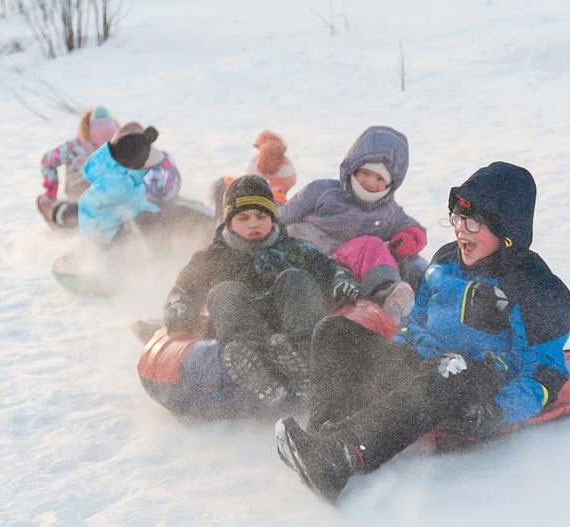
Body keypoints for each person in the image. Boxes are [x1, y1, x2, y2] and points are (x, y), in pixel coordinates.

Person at [275, 162, 570, 503]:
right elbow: (417, 323)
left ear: (507, 233)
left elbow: (546, 374)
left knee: (450, 368)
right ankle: (326, 435)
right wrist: (389, 362)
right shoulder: (446, 260)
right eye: (458, 219)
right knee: (334, 332)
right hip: (423, 366)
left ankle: (342, 456)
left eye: (473, 222)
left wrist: (498, 410)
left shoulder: (537, 290)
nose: (461, 230)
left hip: (474, 384)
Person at [163, 175, 360, 405]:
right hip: (245, 329)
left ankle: (304, 362)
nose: (254, 224)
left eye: (261, 216)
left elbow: (332, 268)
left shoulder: (295, 249)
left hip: (292, 327)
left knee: (295, 278)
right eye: (244, 218)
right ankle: (253, 367)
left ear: (273, 217)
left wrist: (341, 280)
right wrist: (179, 305)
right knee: (224, 292)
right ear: (228, 222)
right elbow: (184, 288)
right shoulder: (213, 257)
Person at [276, 125, 426, 323]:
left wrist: (407, 239)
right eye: (366, 173)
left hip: (354, 278)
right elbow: (282, 217)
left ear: (391, 184)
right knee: (372, 245)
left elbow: (414, 230)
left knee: (414, 263)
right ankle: (385, 292)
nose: (371, 182)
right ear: (353, 168)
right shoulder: (323, 191)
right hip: (313, 259)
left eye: (380, 178)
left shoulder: (389, 211)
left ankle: (413, 313)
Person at [38, 110, 183, 229]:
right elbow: (48, 160)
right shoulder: (74, 148)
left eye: (109, 144)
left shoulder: (132, 158)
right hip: (82, 193)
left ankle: (58, 213)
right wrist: (51, 191)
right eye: (97, 144)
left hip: (112, 202)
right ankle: (56, 212)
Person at [208, 130, 298, 221]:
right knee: (224, 183)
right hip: (271, 198)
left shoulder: (267, 158)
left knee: (222, 187)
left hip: (265, 199)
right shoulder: (285, 166)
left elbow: (258, 177)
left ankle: (222, 221)